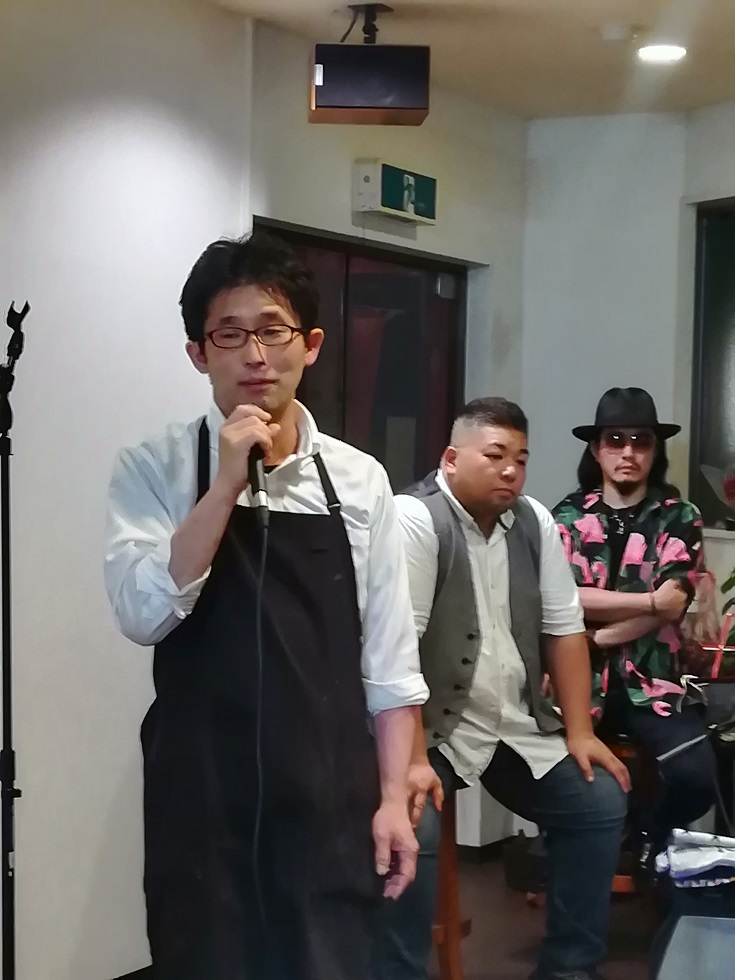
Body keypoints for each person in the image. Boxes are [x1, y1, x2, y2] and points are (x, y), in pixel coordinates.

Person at [104, 232, 429, 980]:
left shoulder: (359, 480)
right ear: (199, 354)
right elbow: (142, 614)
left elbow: (389, 659)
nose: (255, 355)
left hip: (328, 787)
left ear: (309, 345)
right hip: (200, 789)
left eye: (273, 331)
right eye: (230, 334)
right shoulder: (152, 468)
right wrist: (223, 485)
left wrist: (391, 795)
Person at [377, 397, 630, 980]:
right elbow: (395, 652)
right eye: (495, 456)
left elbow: (564, 629)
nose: (511, 470)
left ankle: (570, 968)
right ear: (451, 458)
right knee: (413, 824)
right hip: (429, 730)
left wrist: (580, 731)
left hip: (513, 722)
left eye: (521, 458)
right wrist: (409, 761)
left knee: (597, 800)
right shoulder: (415, 518)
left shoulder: (534, 521)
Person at [553, 387, 717, 867]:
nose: (628, 452)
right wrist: (647, 600)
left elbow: (673, 605)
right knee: (552, 771)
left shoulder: (679, 516)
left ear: (655, 449)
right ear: (596, 449)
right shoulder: (567, 516)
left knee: (697, 776)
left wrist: (595, 635)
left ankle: (648, 830)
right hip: (578, 683)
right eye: (615, 440)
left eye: (640, 440)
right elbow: (565, 598)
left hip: (655, 683)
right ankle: (572, 857)